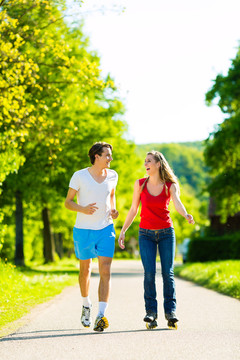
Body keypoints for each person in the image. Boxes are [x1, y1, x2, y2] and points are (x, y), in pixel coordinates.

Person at [118, 150, 194, 329]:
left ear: (158, 164)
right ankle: (151, 313)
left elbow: (177, 202)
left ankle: (171, 312)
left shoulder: (170, 185)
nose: (146, 164)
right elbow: (133, 209)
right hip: (145, 234)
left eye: (149, 161)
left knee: (168, 273)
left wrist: (186, 215)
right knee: (149, 273)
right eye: (145, 161)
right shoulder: (140, 184)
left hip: (167, 233)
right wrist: (123, 231)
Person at [65, 142, 118, 332]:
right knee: (85, 269)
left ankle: (101, 315)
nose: (110, 159)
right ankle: (86, 304)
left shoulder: (113, 175)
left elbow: (111, 195)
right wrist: (83, 209)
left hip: (106, 228)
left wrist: (113, 209)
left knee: (105, 270)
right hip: (83, 229)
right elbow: (68, 202)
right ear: (97, 156)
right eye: (107, 155)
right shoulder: (79, 176)